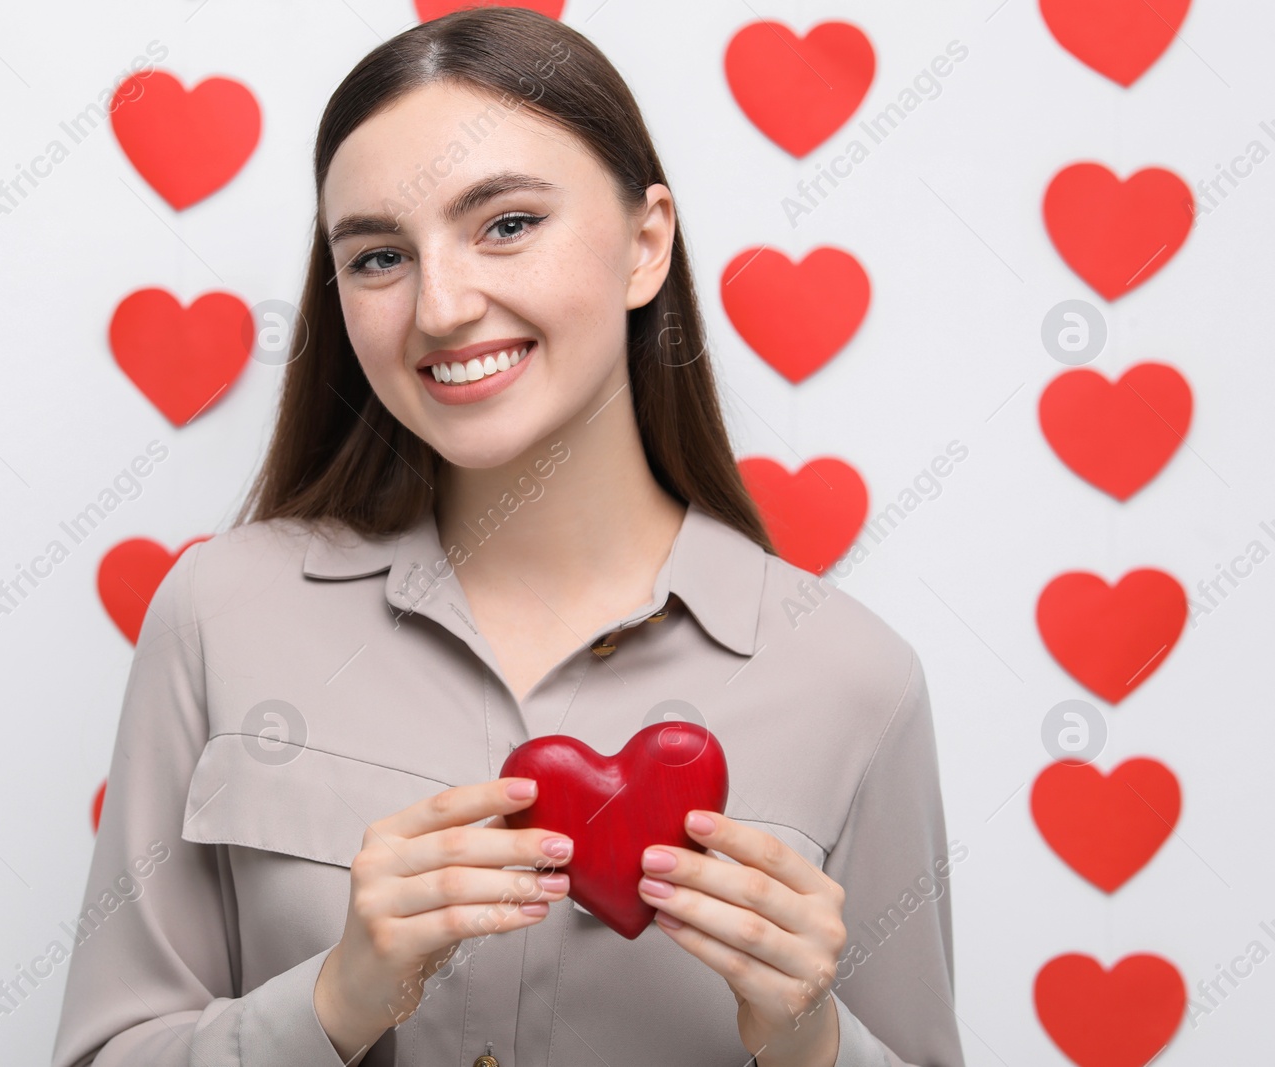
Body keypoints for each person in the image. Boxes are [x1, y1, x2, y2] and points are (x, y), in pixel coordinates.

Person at [51, 8, 964, 1066]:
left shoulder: (855, 679)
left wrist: (811, 1041)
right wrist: (337, 996)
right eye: (380, 255)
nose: (440, 306)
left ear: (645, 243)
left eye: (507, 224)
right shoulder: (219, 614)